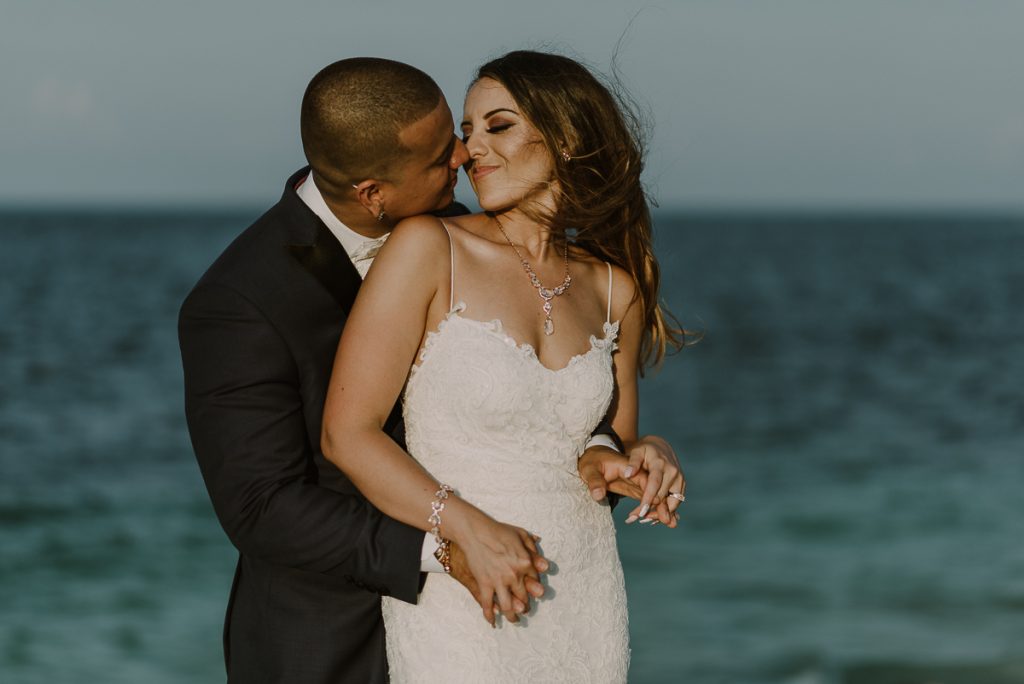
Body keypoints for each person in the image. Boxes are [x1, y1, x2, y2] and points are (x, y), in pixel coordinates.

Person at [179, 57, 682, 684]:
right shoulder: (243, 299)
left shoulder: (596, 283)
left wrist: (628, 451)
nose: (464, 157)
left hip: (564, 590)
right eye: (458, 140)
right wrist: (450, 542)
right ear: (372, 193)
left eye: (474, 131)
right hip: (334, 628)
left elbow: (589, 429)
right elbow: (264, 505)